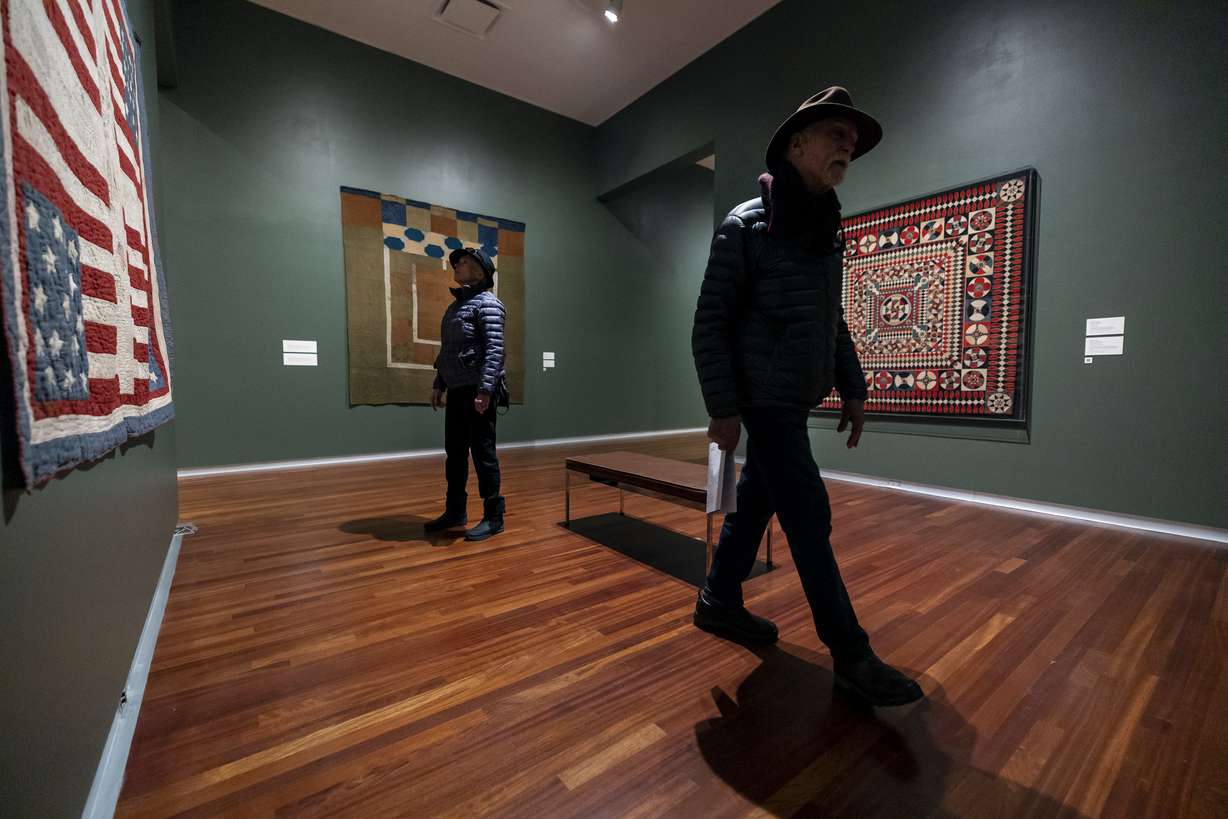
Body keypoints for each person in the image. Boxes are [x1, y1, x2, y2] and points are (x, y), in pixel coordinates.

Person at [690, 87, 923, 706]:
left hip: (794, 397)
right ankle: (851, 653)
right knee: (807, 515)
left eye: (852, 140)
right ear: (797, 145)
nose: (848, 146)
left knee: (755, 503)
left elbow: (831, 318)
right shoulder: (747, 224)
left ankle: (718, 600)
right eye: (835, 134)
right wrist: (723, 409)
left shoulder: (825, 226)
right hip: (763, 399)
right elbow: (710, 323)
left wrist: (853, 386)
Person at [424, 247, 507, 541]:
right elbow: (448, 352)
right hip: (458, 390)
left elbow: (495, 351)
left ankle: (494, 517)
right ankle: (455, 511)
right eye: (456, 263)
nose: (457, 266)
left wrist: (485, 390)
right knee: (455, 454)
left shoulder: (489, 304)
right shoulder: (456, 307)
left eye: (464, 262)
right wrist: (439, 383)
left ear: (480, 271)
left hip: (478, 391)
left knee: (483, 454)